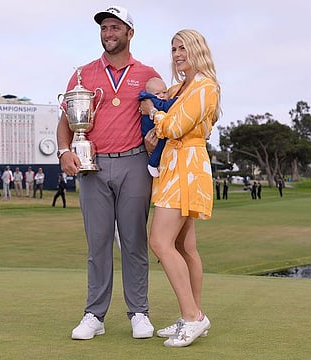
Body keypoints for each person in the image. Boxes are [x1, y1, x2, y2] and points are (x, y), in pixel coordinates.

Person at [57, 5, 160, 341]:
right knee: (98, 243)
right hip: (93, 165)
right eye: (104, 28)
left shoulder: (146, 73)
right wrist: (64, 152)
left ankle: (139, 312)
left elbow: (162, 113)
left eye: (115, 27)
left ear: (130, 33)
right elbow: (66, 123)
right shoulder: (83, 74)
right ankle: (94, 314)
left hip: (133, 163)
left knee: (133, 241)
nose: (108, 33)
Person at [140, 28, 221, 347]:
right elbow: (164, 127)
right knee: (185, 247)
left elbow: (173, 126)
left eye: (183, 48)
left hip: (187, 167)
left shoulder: (205, 86)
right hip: (173, 166)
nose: (177, 54)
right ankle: (193, 313)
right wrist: (155, 128)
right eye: (173, 49)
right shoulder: (178, 86)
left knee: (160, 242)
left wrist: (153, 112)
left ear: (198, 49)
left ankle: (193, 317)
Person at [138, 77, 176, 178]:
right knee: (160, 145)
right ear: (150, 94)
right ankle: (153, 164)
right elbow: (164, 107)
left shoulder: (150, 99)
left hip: (155, 129)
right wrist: (177, 100)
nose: (162, 96)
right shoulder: (152, 101)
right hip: (151, 131)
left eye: (164, 92)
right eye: (157, 94)